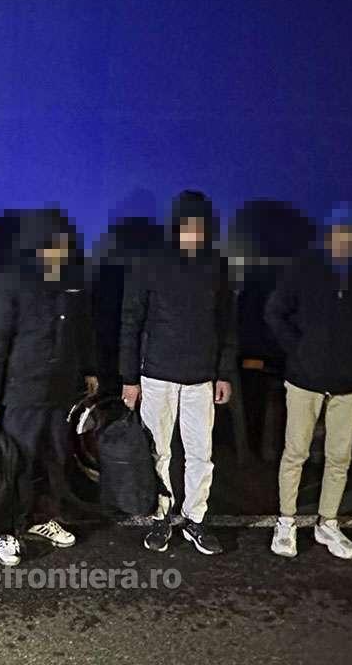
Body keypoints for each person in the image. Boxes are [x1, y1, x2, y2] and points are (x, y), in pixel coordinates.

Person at [0, 209, 98, 566]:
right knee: (17, 464)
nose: (57, 250)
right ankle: (7, 531)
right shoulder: (9, 280)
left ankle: (43, 518)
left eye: (62, 244)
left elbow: (83, 329)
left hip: (60, 391)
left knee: (55, 459)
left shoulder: (71, 280)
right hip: (21, 392)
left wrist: (89, 369)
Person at [264, 202, 352, 560]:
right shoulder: (304, 268)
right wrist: (300, 350)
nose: (344, 238)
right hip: (304, 378)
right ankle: (286, 522)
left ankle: (327, 523)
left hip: (350, 382)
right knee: (295, 453)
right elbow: (274, 312)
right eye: (337, 231)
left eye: (350, 232)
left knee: (339, 457)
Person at [120, 191, 237, 555]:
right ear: (176, 225)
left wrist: (224, 372)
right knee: (159, 452)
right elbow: (131, 320)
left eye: (200, 224)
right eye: (187, 224)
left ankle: (195, 518)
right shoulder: (150, 261)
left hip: (201, 378)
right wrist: (129, 378)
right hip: (156, 375)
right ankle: (162, 516)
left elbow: (227, 323)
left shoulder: (217, 265)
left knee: (201, 454)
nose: (194, 231)